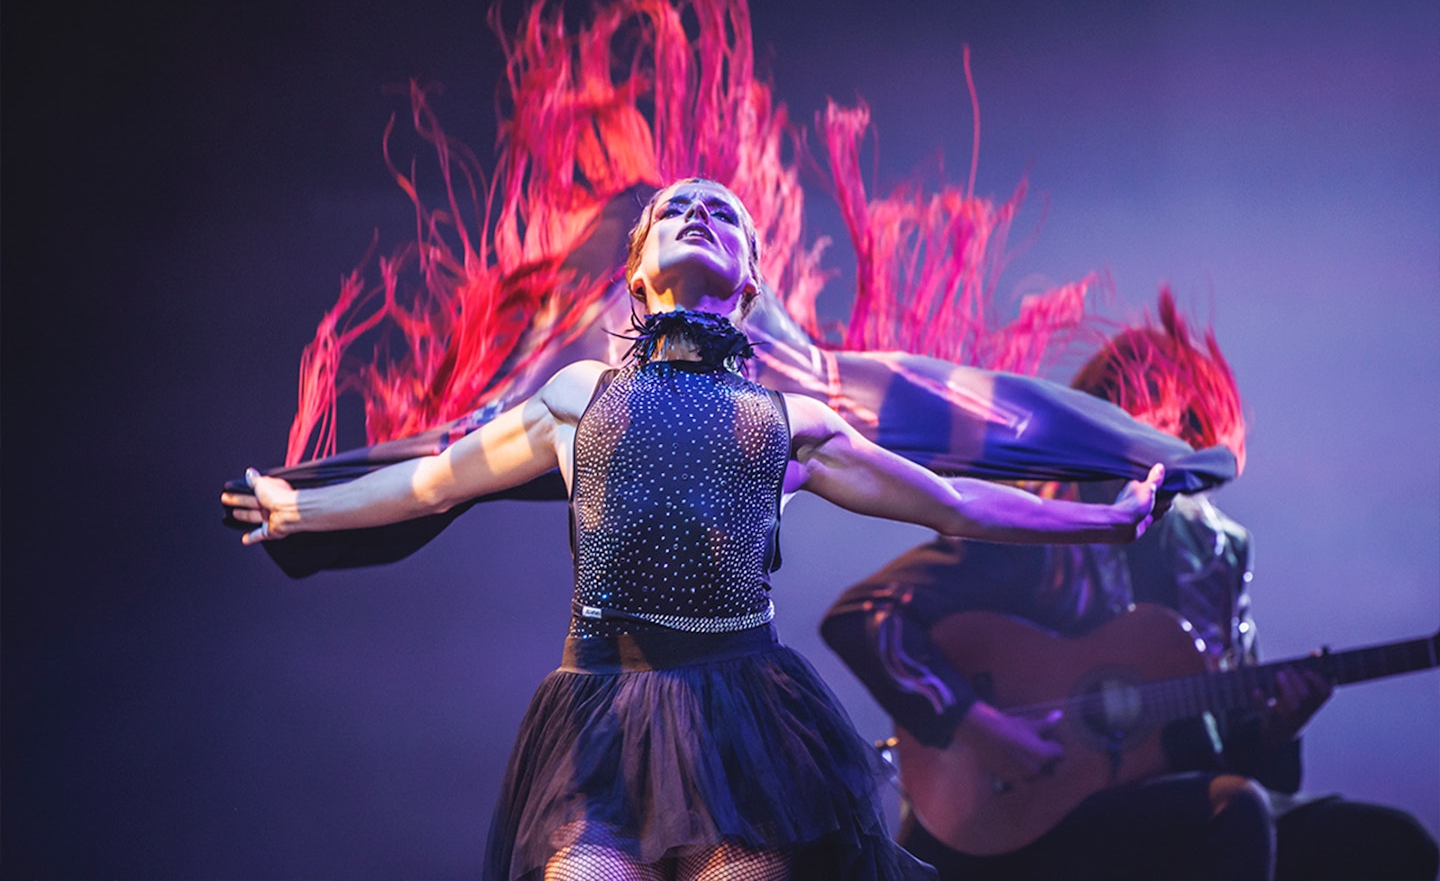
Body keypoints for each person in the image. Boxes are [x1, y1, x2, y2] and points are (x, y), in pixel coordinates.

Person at [224, 179, 1168, 881]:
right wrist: (299, 509)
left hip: (742, 725)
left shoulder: (790, 423)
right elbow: (433, 486)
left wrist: (1102, 520)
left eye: (724, 214)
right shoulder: (579, 397)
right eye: (677, 210)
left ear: (750, 283)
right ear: (637, 277)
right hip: (599, 720)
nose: (700, 215)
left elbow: (954, 504)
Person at [820, 299, 1439, 880]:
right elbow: (866, 615)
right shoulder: (1037, 521)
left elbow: (1240, 756)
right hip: (1025, 815)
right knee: (1235, 810)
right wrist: (976, 723)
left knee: (1393, 842)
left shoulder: (1218, 552)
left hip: (1177, 804)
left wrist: (1278, 729)